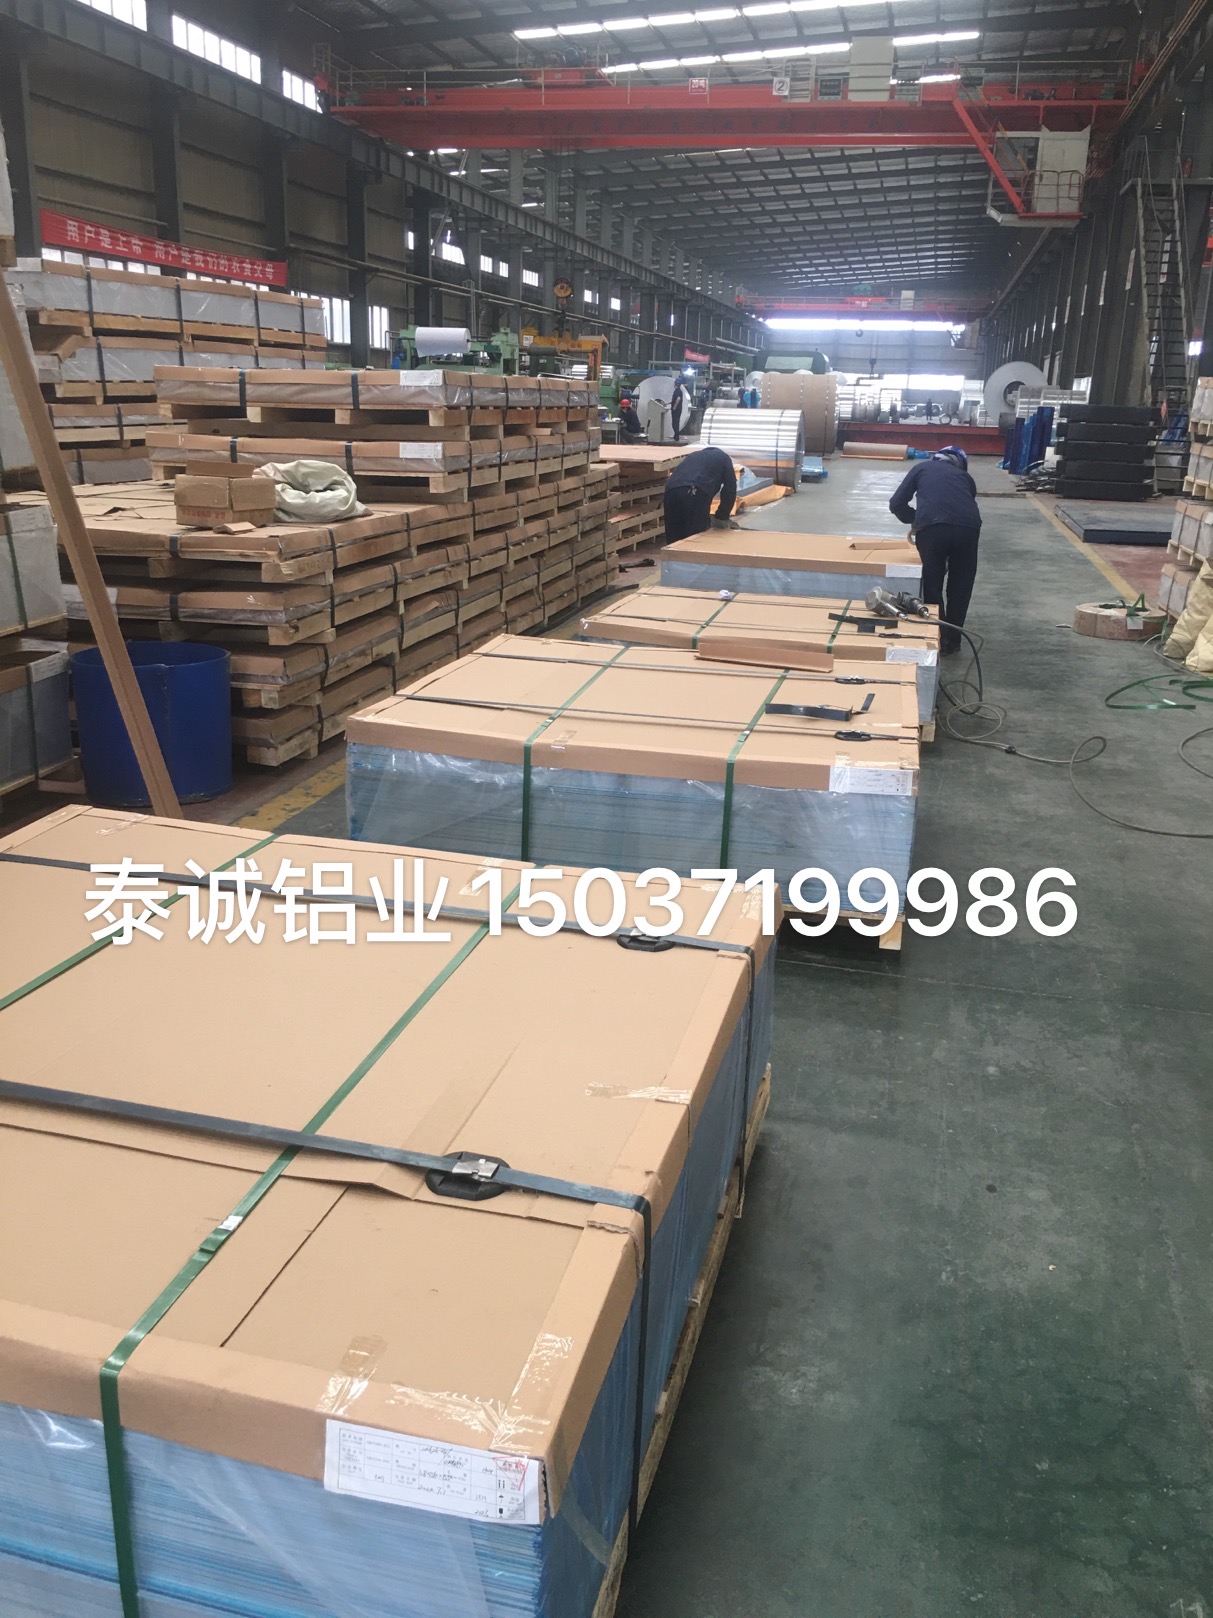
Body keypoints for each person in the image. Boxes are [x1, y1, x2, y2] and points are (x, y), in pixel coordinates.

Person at [888, 444, 981, 654]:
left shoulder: (921, 468)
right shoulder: (966, 478)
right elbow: (966, 503)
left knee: (933, 584)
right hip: (968, 529)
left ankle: (937, 638)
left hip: (932, 529)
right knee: (961, 587)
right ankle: (954, 641)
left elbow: (896, 503)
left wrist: (915, 518)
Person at [663, 445, 738, 541]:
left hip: (671, 490)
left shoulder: (694, 456)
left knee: (673, 536)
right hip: (694, 491)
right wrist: (722, 516)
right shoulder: (724, 459)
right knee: (696, 537)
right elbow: (730, 488)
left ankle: (671, 550)